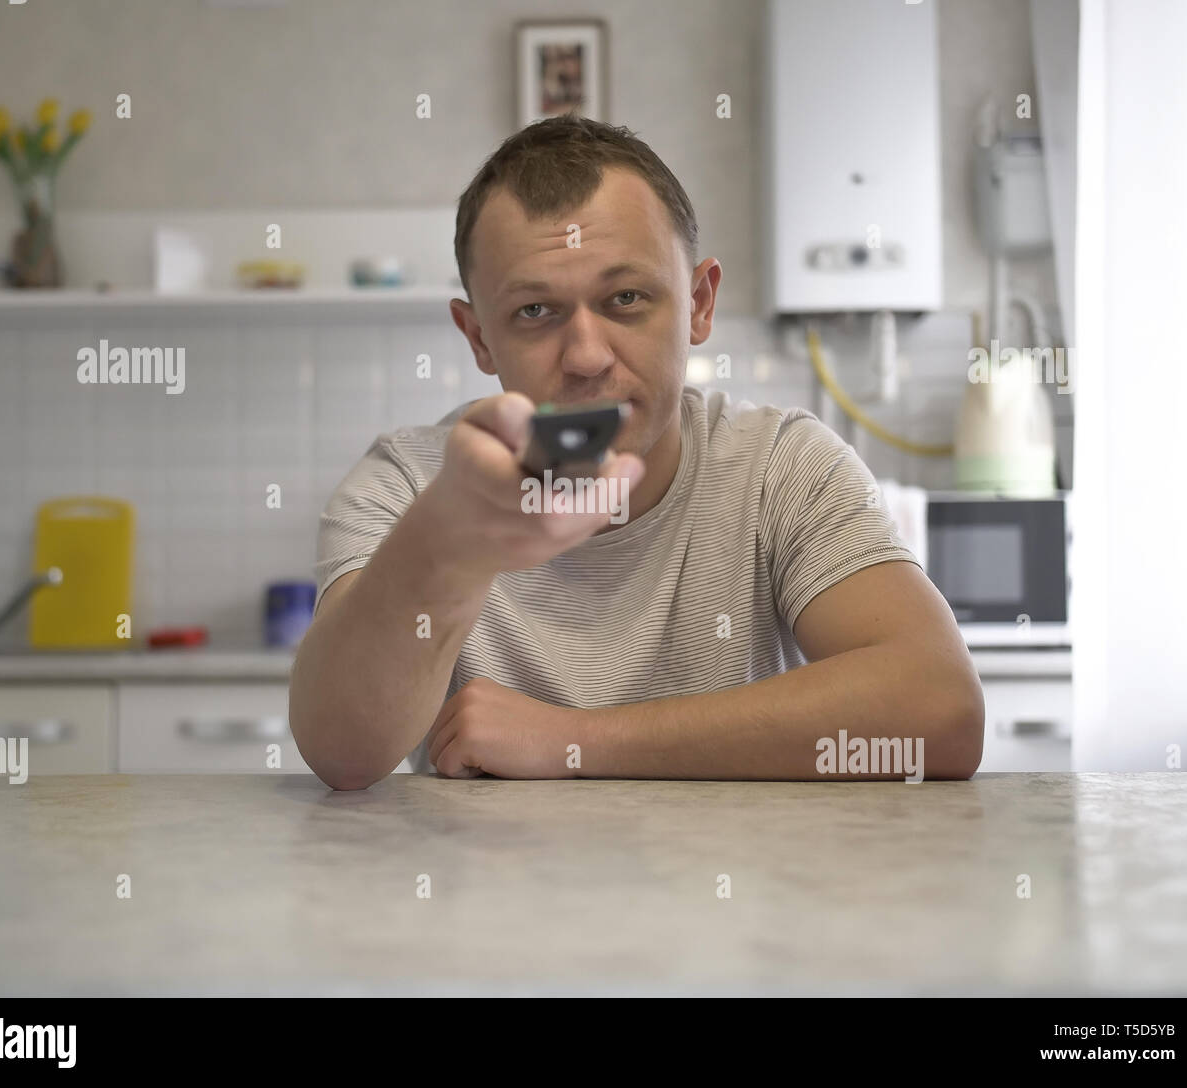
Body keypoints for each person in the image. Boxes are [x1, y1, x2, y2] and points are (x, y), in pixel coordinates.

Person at [290, 114, 983, 789]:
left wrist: (574, 742)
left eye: (626, 298)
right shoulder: (408, 486)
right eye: (535, 311)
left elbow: (940, 710)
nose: (587, 357)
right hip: (482, 900)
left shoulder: (781, 464)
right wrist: (446, 543)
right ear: (478, 338)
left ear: (699, 305)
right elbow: (342, 754)